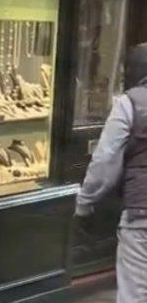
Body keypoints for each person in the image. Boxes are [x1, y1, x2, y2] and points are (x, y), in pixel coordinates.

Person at [75, 43, 147, 303]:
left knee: (135, 295)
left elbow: (105, 161)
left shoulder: (130, 103)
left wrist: (84, 202)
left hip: (141, 216)